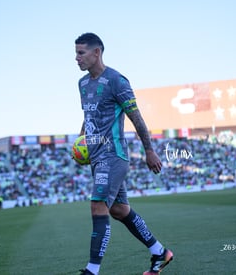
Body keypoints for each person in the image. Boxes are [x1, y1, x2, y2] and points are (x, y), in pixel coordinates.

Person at [74, 32, 173, 275]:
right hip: (96, 158)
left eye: (81, 53)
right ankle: (159, 252)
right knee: (119, 210)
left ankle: (92, 270)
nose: (76, 58)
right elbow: (89, 116)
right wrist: (80, 141)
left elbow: (136, 118)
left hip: (113, 155)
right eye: (76, 53)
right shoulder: (83, 84)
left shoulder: (117, 81)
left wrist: (149, 150)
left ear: (97, 52)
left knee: (98, 205)